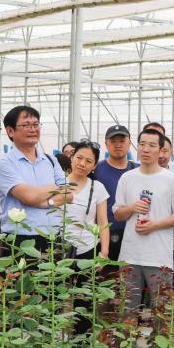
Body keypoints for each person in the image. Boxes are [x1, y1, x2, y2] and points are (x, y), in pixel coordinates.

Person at [113, 128, 174, 314]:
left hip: (159, 256)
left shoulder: (171, 179)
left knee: (162, 311)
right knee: (128, 310)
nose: (146, 149)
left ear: (161, 150)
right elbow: (118, 214)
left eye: (152, 145)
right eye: (142, 144)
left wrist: (154, 225)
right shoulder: (127, 178)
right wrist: (132, 208)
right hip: (130, 255)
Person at [0, 105, 72, 253]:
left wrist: (47, 202)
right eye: (26, 125)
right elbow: (28, 197)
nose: (33, 129)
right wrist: (54, 188)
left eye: (36, 124)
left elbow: (69, 194)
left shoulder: (50, 160)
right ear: (10, 131)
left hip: (52, 237)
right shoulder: (5, 163)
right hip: (19, 239)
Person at [61, 140, 110, 334]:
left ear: (94, 166)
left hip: (88, 249)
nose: (82, 163)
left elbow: (103, 222)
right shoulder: (58, 182)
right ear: (71, 158)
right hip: (60, 249)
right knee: (55, 296)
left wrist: (104, 252)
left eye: (88, 161)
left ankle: (80, 342)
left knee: (85, 300)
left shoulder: (97, 188)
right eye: (79, 158)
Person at [95, 124, 139, 262]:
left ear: (129, 143)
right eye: (113, 141)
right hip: (106, 235)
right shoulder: (97, 170)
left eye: (122, 141)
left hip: (134, 234)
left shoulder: (138, 170)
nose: (118, 145)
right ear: (106, 144)